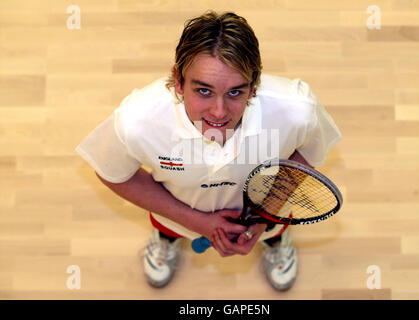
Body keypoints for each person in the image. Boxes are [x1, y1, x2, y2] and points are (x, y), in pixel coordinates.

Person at [75, 11, 342, 291]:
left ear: (254, 85)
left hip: (263, 214)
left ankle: (274, 241)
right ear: (178, 81)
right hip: (177, 215)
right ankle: (167, 240)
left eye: (235, 92)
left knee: (274, 232)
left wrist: (265, 218)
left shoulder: (298, 111)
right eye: (204, 91)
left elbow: (308, 154)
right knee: (168, 229)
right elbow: (114, 174)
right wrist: (196, 221)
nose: (219, 112)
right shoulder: (135, 122)